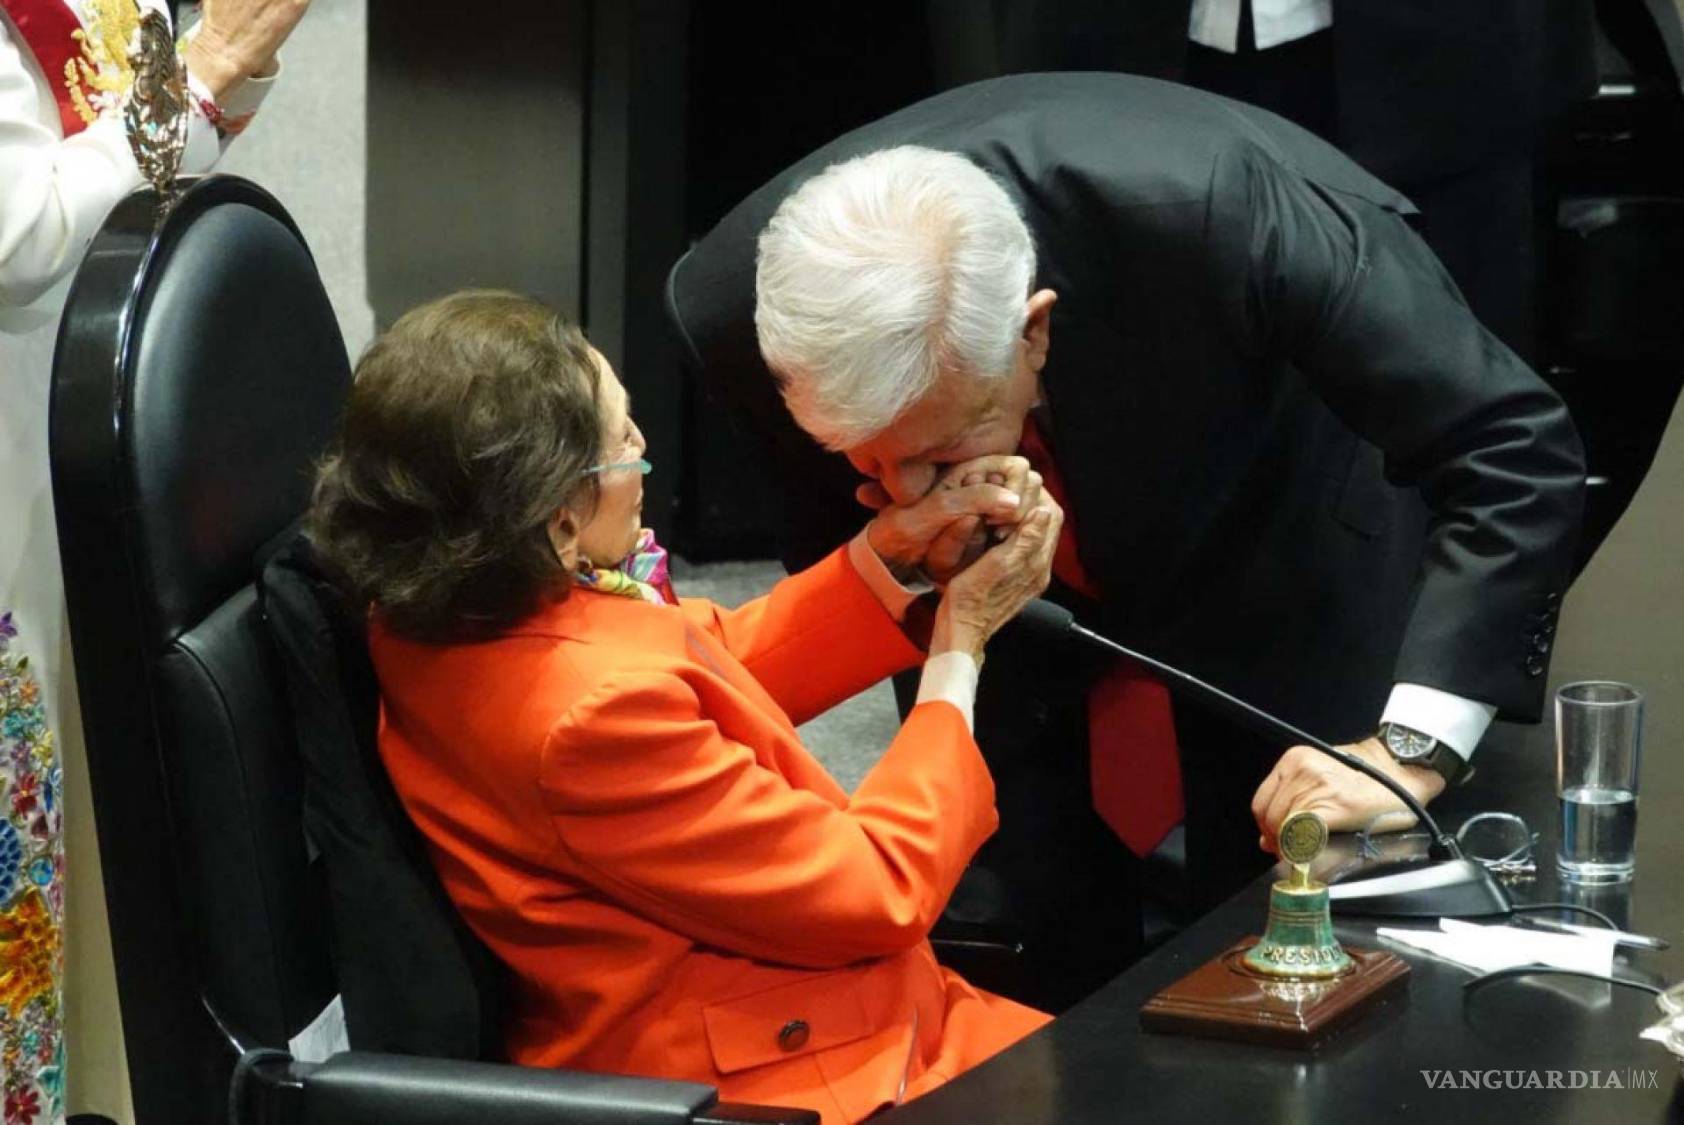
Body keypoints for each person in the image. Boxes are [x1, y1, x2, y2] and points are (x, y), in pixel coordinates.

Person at [668, 72, 1587, 1010]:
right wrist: (911, 565)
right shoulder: (738, 310)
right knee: (1035, 959)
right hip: (1016, 635)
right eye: (869, 459)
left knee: (1294, 947)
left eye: (943, 449)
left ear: (1033, 332)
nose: (908, 487)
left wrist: (1411, 749)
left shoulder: (1227, 206)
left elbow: (1512, 446)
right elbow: (846, 564)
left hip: (1274, 534)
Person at [306, 291, 1056, 1125]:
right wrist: (961, 648)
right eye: (620, 439)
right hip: (785, 1077)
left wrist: (897, 557)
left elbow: (702, 660)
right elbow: (875, 888)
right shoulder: (588, 719)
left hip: (801, 1008)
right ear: (557, 521)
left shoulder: (437, 593)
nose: (642, 447)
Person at [1, 1, 305, 1118]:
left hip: (68, 438)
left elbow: (131, 138)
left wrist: (225, 73)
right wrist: (211, 66)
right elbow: (17, 238)